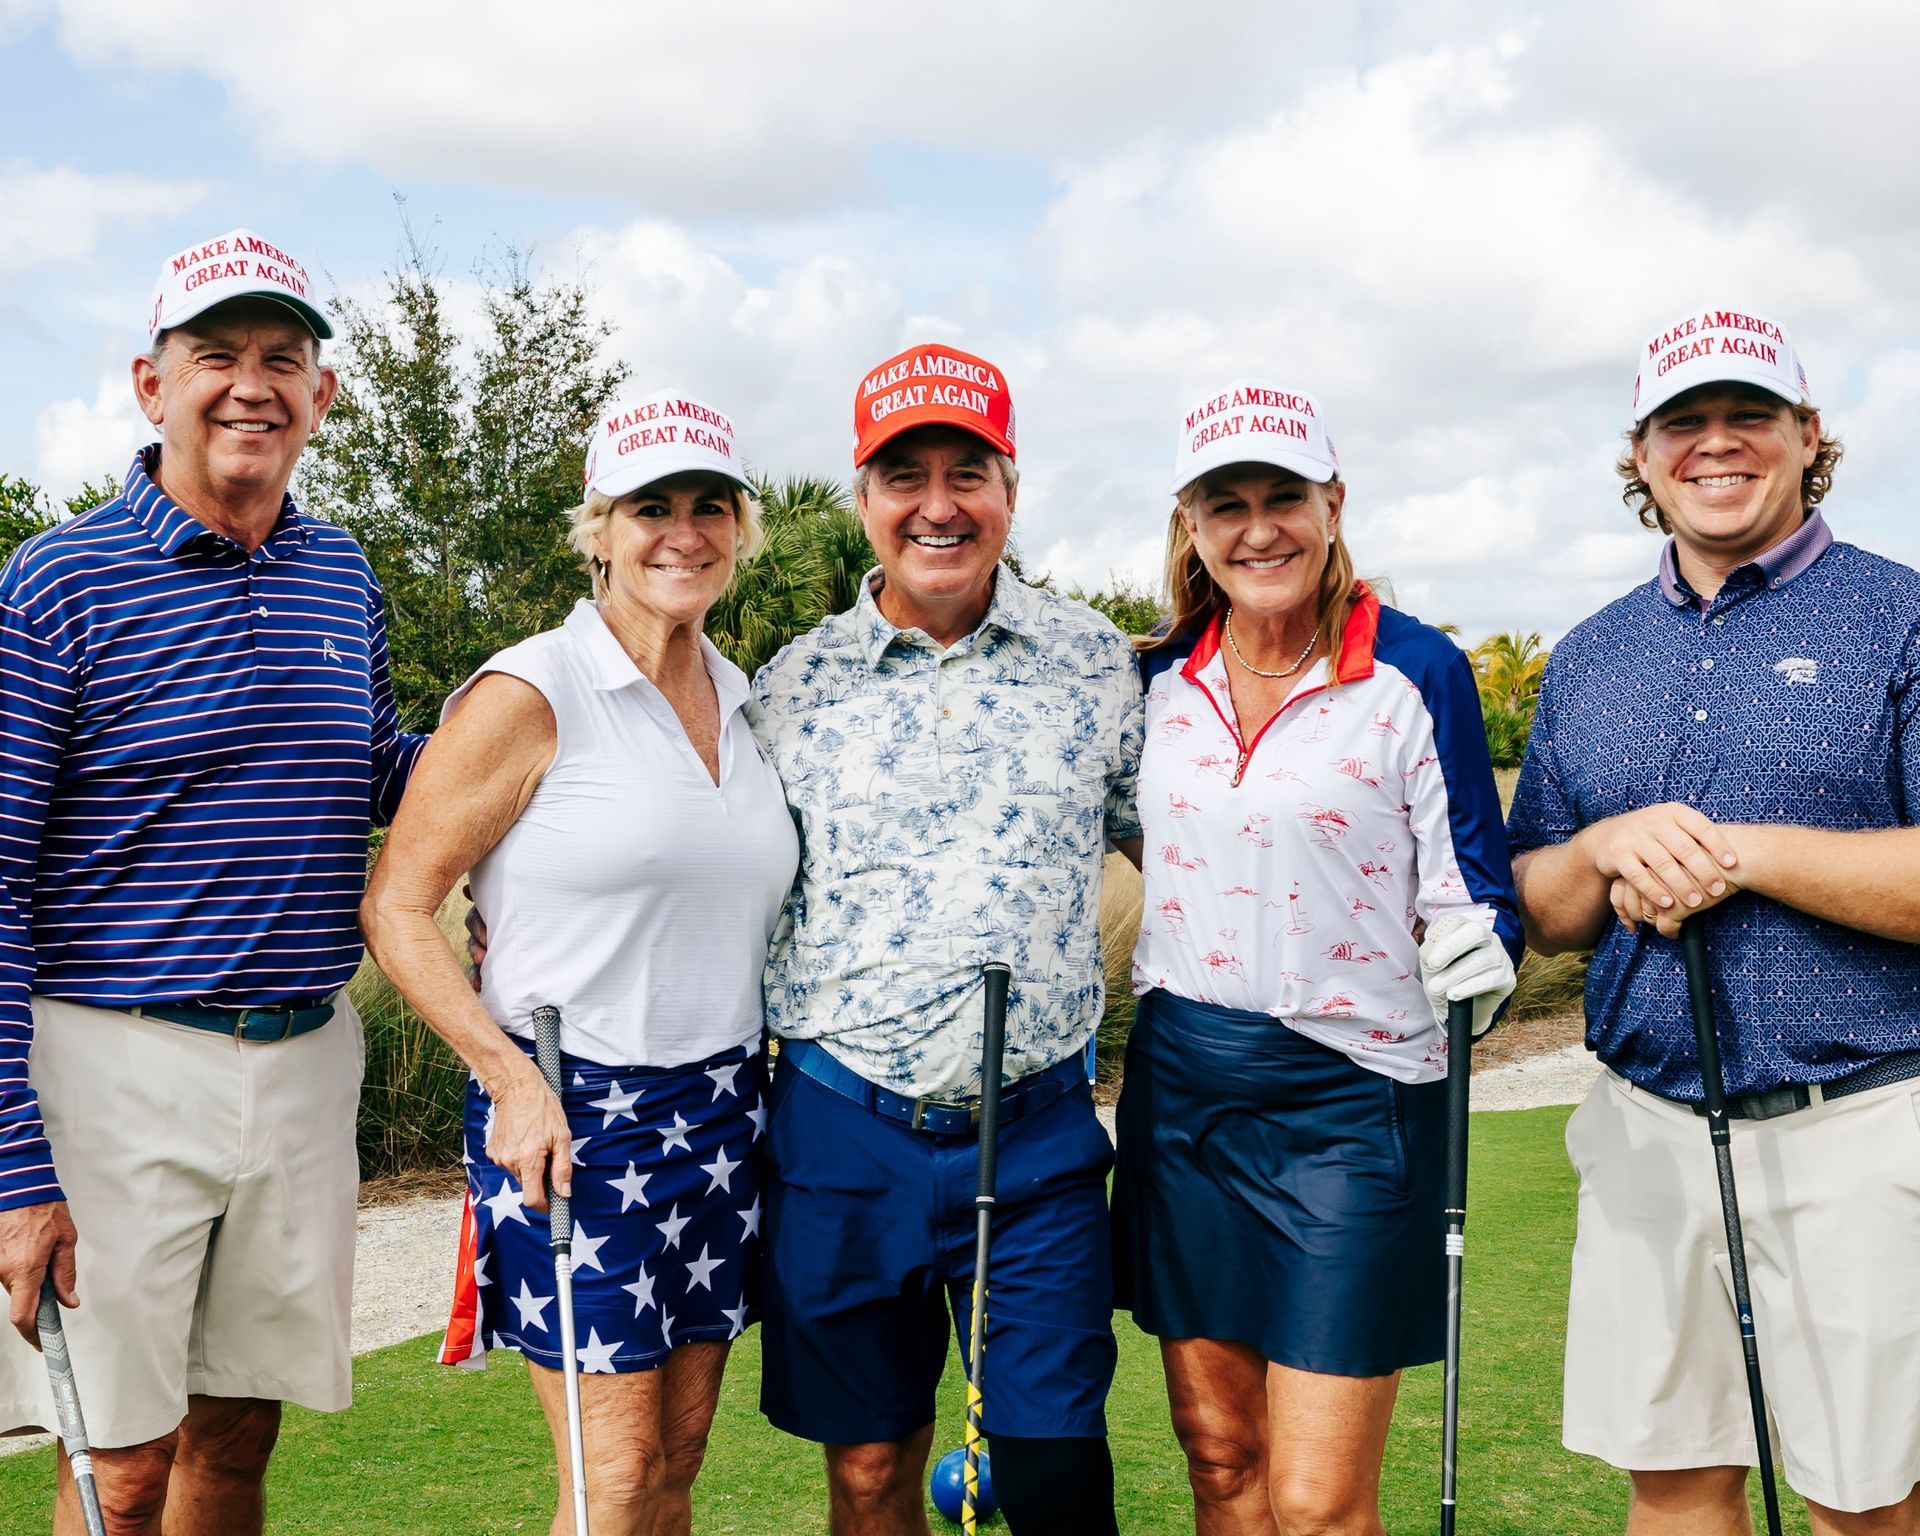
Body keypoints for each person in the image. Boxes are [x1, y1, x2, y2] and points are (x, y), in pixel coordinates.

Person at [0, 228, 426, 1535]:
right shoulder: (56, 581)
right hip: (112, 1072)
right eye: (217, 357)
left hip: (300, 1063)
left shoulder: (340, 570)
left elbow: (384, 777)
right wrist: (15, 1167)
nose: (252, 384)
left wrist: (547, 721)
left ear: (323, 395)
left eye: (282, 359)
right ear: (150, 384)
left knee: (236, 1438)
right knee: (119, 1468)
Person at [1509, 308, 1920, 1535]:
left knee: (1864, 1500)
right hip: (1647, 1130)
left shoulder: (1897, 617)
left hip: (1857, 1121)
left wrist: (1738, 855)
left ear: (1806, 436)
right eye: (1684, 422)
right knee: (1675, 1487)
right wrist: (1596, 847)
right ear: (1642, 454)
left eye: (1749, 416)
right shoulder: (1588, 656)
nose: (1717, 445)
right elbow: (1543, 903)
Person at [361, 389, 796, 1536]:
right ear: (598, 528)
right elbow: (397, 909)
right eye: (652, 506)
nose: (684, 532)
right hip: (571, 1115)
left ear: (740, 529)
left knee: (675, 1470)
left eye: (711, 506)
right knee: (609, 1483)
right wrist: (507, 1078)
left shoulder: (746, 703)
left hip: (723, 1114)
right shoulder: (531, 689)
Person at [749, 343, 1144, 1536]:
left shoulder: (1100, 667)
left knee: (1052, 1474)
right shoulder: (787, 686)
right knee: (870, 1471)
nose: (937, 505)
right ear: (863, 497)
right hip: (838, 1125)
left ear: (1010, 489)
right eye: (902, 474)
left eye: (965, 471)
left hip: (1032, 1132)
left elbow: (1201, 843)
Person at [1113, 381, 1521, 1536]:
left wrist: (1479, 954)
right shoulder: (1157, 676)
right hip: (1185, 1090)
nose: (1258, 529)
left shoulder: (1415, 670)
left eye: (1283, 496)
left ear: (1333, 502)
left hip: (1355, 1100)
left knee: (1315, 1498)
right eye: (1224, 504)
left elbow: (1478, 893)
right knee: (1221, 1457)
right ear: (1190, 525)